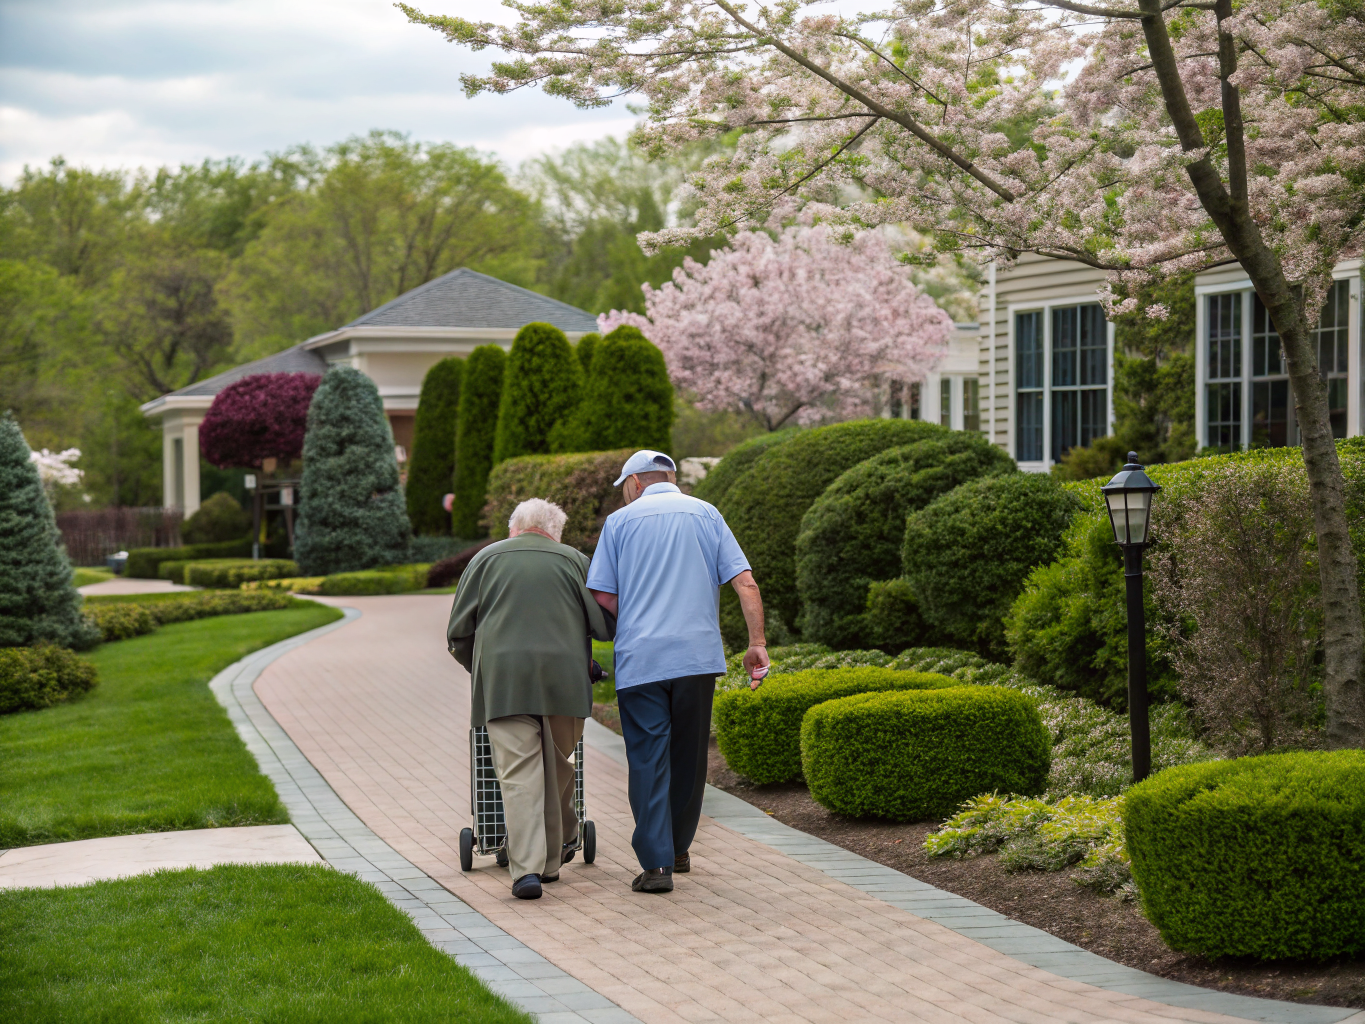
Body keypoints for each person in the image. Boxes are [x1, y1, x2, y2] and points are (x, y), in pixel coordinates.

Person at [587, 450, 768, 894]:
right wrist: (756, 644)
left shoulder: (620, 523)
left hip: (642, 659)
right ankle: (680, 847)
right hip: (696, 658)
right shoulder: (707, 514)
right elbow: (745, 582)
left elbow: (603, 598)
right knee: (689, 755)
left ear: (634, 484)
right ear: (670, 478)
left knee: (648, 757)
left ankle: (657, 865)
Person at [447, 498, 613, 900]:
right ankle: (552, 861)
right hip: (564, 681)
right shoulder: (574, 559)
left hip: (504, 681)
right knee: (558, 770)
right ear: (555, 532)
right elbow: (604, 626)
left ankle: (526, 872)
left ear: (513, 528)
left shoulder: (484, 560)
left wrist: (482, 668)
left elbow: (457, 632)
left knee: (519, 776)